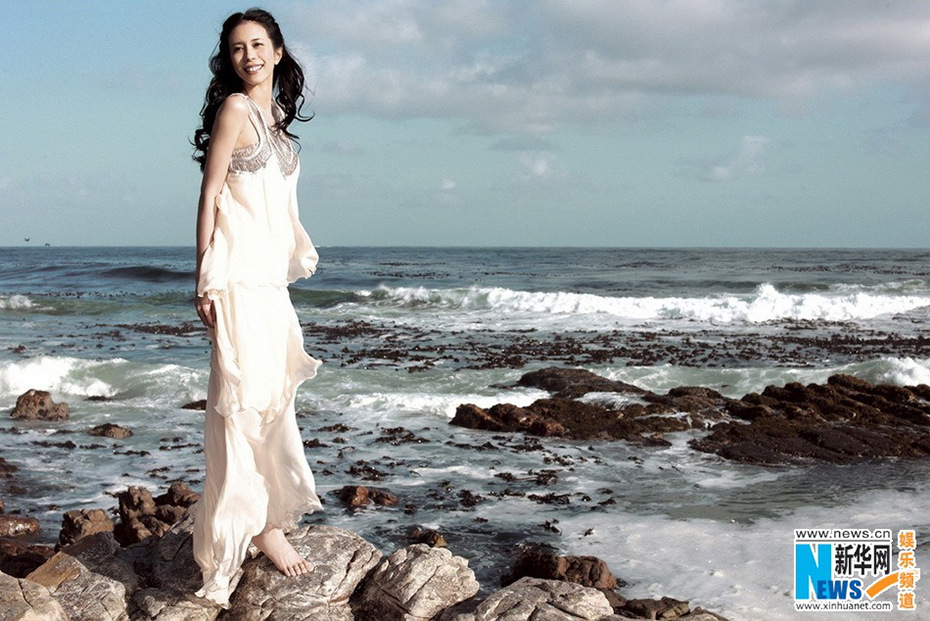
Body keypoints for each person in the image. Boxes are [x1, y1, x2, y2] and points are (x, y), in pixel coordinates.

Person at [190, 8, 323, 607]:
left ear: (277, 50)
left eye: (258, 44)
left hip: (269, 283)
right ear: (230, 58)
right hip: (238, 278)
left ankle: (266, 517)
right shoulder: (236, 110)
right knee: (243, 401)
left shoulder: (278, 119)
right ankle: (261, 529)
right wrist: (204, 277)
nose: (249, 55)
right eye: (238, 47)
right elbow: (210, 192)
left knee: (272, 397)